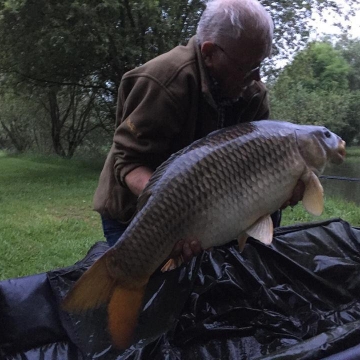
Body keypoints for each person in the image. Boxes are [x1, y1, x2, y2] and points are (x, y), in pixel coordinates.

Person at [93, 0, 303, 261]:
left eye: (261, 64)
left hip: (210, 210)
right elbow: (128, 162)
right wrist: (177, 211)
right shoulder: (165, 81)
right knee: (141, 282)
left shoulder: (253, 94)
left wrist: (281, 191)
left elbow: (254, 172)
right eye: (247, 67)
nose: (258, 78)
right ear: (209, 53)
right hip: (132, 215)